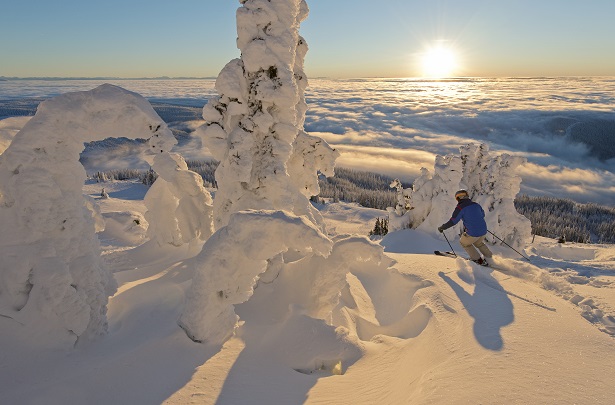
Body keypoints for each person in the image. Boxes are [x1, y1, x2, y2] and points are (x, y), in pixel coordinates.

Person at [438, 189, 492, 266]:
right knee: (479, 243)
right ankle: (490, 257)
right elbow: (482, 215)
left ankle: (478, 260)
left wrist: (442, 227)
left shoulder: (460, 208)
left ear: (459, 198)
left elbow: (453, 221)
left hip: (473, 233)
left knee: (464, 243)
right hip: (483, 231)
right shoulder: (476, 205)